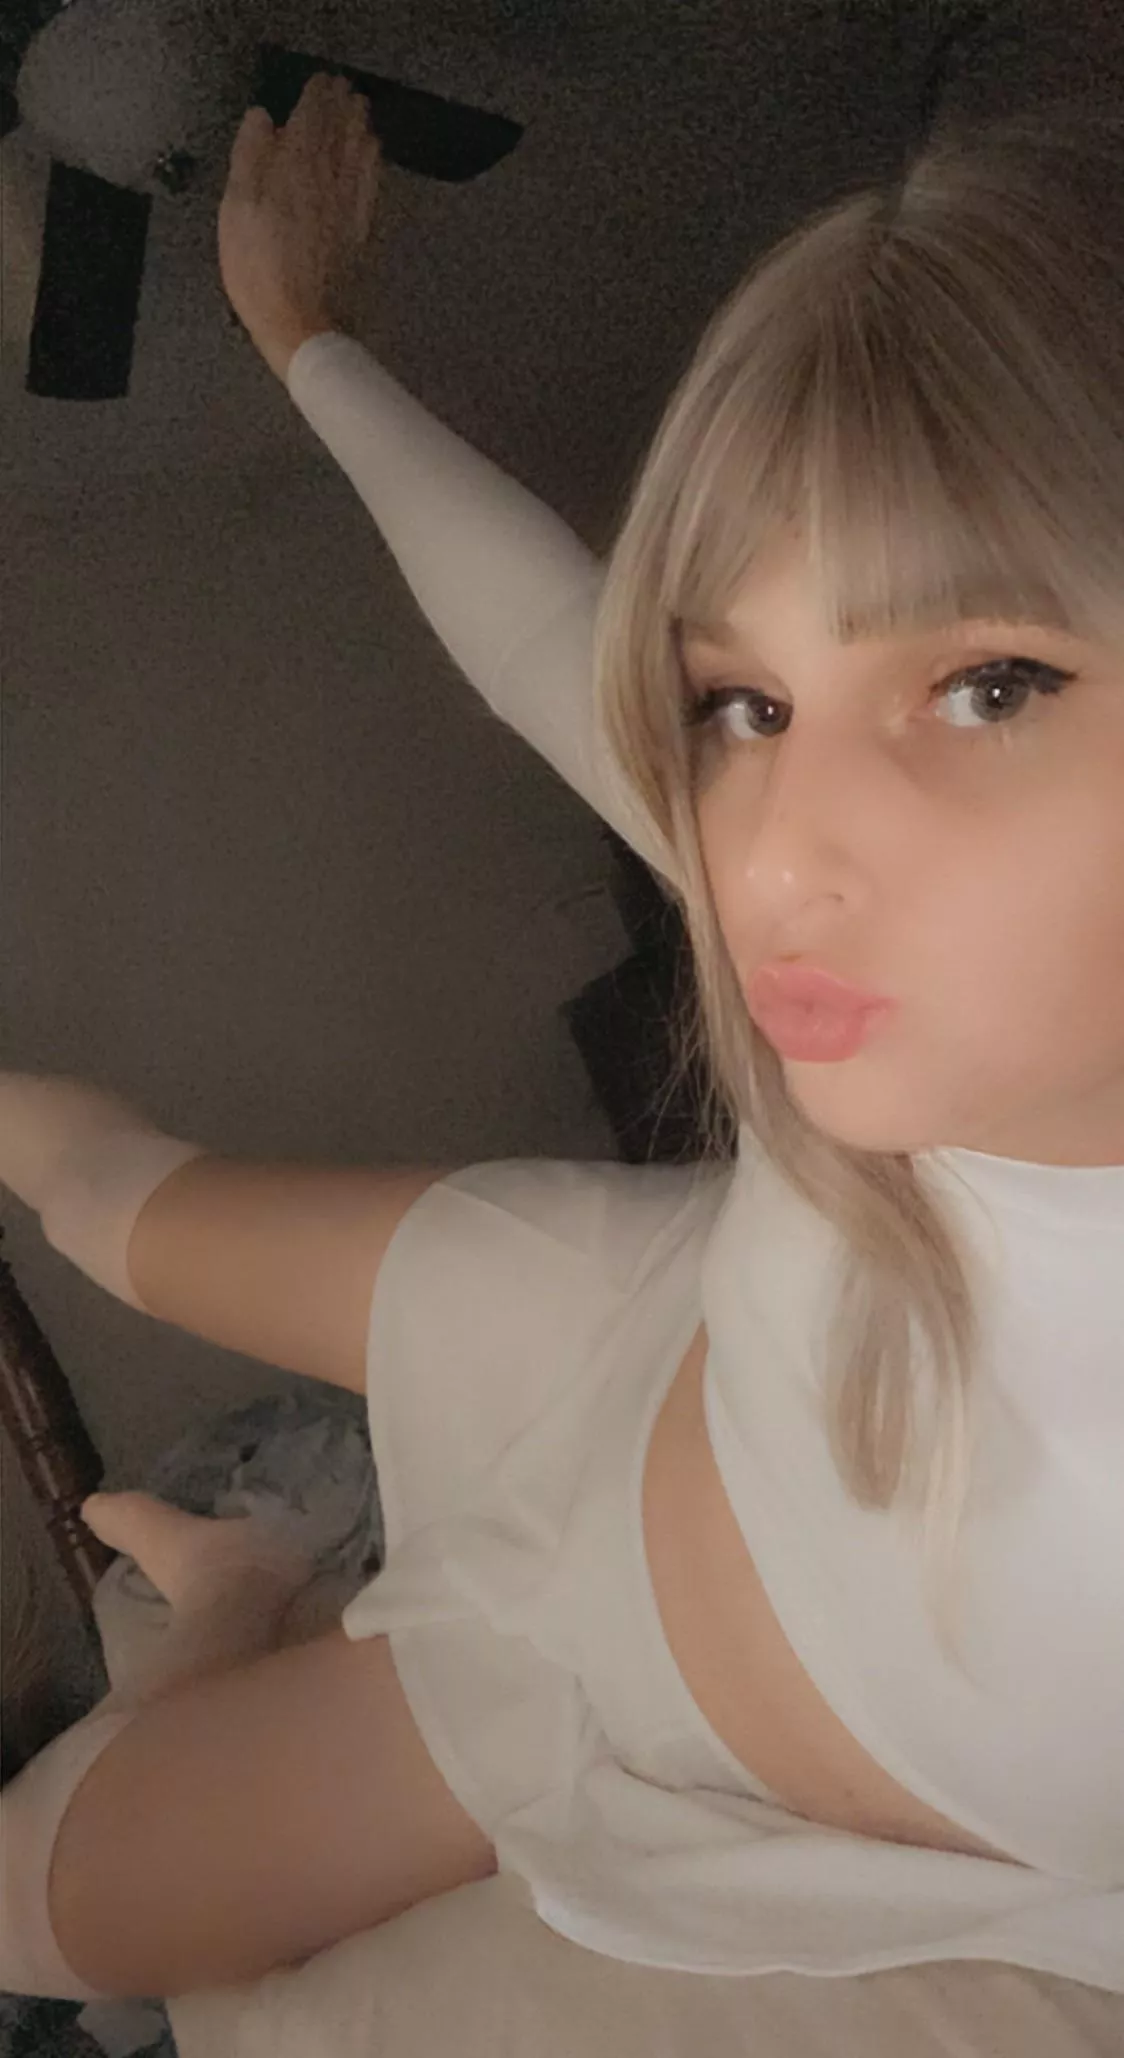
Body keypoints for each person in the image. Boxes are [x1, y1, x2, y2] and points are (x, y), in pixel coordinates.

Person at [1, 71, 1122, 2004]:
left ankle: (235, 1602)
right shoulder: (900, 941)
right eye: (746, 704)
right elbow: (552, 643)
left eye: (988, 684)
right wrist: (305, 335)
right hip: (629, 1328)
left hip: (593, 1682)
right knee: (95, 1195)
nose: (770, 859)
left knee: (25, 1908)